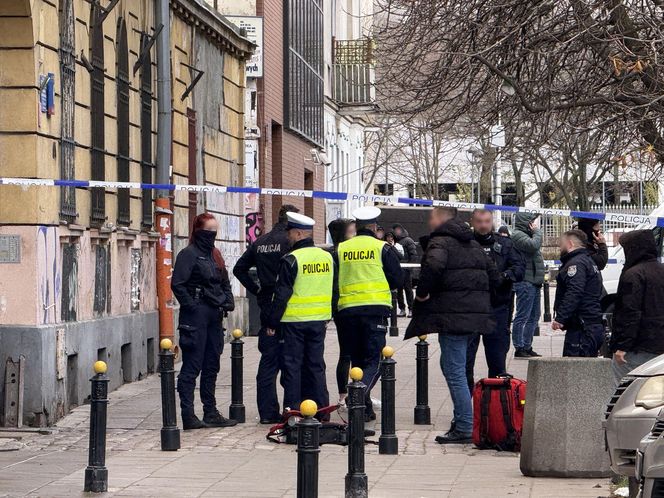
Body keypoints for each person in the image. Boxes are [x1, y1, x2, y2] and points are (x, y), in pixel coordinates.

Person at [405, 207, 499, 444]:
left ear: (440, 219)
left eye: (432, 217)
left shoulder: (441, 242)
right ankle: (462, 420)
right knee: (451, 366)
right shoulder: (472, 243)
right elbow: (494, 274)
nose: (429, 221)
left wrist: (423, 293)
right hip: (471, 316)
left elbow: (434, 267)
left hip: (453, 317)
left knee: (455, 370)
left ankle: (465, 426)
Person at [334, 206, 403, 421]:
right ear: (374, 226)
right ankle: (358, 396)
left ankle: (364, 409)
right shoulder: (383, 247)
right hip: (375, 310)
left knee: (357, 359)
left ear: (357, 226)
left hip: (347, 311)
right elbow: (398, 279)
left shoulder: (340, 248)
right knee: (377, 359)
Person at [233, 204, 299, 424]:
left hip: (266, 304)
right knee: (291, 361)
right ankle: (292, 410)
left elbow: (238, 269)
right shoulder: (291, 242)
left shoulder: (261, 242)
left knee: (268, 363)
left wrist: (256, 289)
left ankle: (268, 413)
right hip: (289, 306)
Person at [171, 213, 237, 430]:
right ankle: (188, 415)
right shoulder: (188, 254)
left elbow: (224, 281)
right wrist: (192, 305)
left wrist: (228, 301)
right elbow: (178, 284)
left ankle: (210, 411)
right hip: (196, 317)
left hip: (215, 316)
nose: (212, 235)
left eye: (214, 231)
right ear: (199, 231)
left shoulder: (215, 254)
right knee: (192, 366)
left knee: (212, 365)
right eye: (209, 231)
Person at [266, 212, 334, 411]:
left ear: (297, 234)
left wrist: (272, 323)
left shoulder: (292, 259)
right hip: (319, 320)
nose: (287, 237)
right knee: (316, 366)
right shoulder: (326, 257)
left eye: (289, 234)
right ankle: (321, 410)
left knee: (292, 368)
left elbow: (282, 294)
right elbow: (334, 288)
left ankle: (293, 411)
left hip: (294, 322)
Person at [467, 209, 525, 391]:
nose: (483, 225)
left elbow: (519, 268)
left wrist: (504, 276)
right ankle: (464, 413)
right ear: (472, 222)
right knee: (465, 365)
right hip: (471, 311)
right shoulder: (465, 244)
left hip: (497, 309)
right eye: (479, 221)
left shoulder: (505, 244)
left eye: (486, 221)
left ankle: (495, 411)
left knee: (498, 364)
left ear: (491, 221)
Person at [610, 230, 664, 383]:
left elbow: (629, 312)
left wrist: (622, 346)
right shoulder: (661, 270)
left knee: (624, 388)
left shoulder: (633, 275)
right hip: (659, 343)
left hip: (639, 345)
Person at [552, 230, 604, 357]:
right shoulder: (588, 261)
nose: (560, 248)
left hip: (582, 328)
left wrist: (561, 317)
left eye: (561, 245)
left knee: (576, 371)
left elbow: (575, 291)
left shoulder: (576, 263)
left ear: (570, 244)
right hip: (589, 324)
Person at [327, 218, 356, 404]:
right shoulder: (337, 254)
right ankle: (344, 395)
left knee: (349, 352)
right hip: (343, 307)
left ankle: (354, 392)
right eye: (352, 231)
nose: (355, 235)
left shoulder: (337, 253)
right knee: (347, 353)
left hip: (347, 306)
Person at [511, 213, 545, 358]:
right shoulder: (518, 235)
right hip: (525, 281)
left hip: (534, 281)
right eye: (532, 221)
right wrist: (537, 232)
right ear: (526, 222)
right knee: (522, 316)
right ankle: (519, 347)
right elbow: (533, 245)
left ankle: (527, 345)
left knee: (534, 315)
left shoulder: (528, 234)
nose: (535, 223)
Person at [392, 223, 418, 317]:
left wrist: (409, 267)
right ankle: (402, 309)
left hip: (406, 269)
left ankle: (411, 309)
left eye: (398, 229)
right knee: (399, 290)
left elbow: (413, 255)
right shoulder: (394, 241)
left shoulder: (408, 240)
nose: (397, 231)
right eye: (395, 230)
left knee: (408, 289)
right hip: (398, 269)